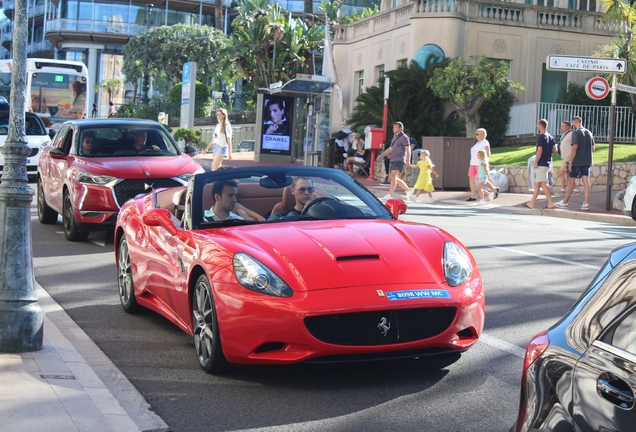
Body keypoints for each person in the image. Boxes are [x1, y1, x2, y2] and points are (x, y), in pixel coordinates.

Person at [555, 116, 595, 211]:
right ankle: (586, 203)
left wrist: (571, 161)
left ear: (574, 122)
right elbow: (593, 148)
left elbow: (574, 147)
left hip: (577, 161)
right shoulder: (589, 133)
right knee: (586, 181)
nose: (572, 125)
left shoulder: (576, 133)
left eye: (573, 123)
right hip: (587, 161)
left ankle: (565, 202)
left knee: (571, 181)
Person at [525, 119, 557, 210]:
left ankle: (550, 203)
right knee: (538, 184)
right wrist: (548, 152)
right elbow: (555, 150)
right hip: (547, 163)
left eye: (538, 125)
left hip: (541, 164)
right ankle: (531, 203)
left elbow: (540, 150)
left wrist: (536, 162)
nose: (537, 126)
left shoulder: (541, 137)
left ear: (540, 126)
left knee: (543, 184)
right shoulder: (550, 137)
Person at [377, 122, 412, 200]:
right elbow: (390, 149)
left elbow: (408, 149)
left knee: (393, 176)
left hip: (400, 159)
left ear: (400, 128)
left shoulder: (404, 137)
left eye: (396, 127)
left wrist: (408, 160)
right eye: (393, 127)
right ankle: (408, 190)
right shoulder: (394, 138)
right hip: (393, 159)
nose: (394, 128)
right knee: (394, 178)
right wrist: (382, 155)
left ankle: (390, 195)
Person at [467, 128, 498, 201]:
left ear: (481, 135)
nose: (476, 136)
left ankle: (494, 189)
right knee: (471, 178)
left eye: (477, 134)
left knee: (482, 179)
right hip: (472, 163)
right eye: (476, 134)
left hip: (479, 164)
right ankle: (473, 195)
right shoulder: (477, 143)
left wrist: (484, 162)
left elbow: (487, 153)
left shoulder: (485, 142)